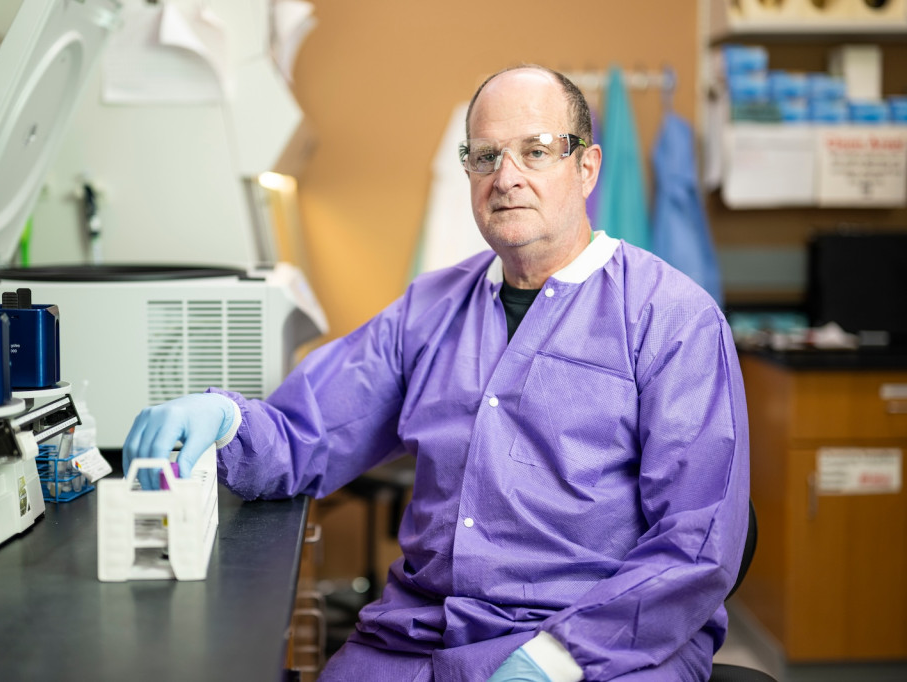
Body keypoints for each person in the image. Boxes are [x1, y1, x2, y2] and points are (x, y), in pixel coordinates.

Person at [123, 64, 750, 682]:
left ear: (586, 168)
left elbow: (695, 545)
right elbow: (303, 431)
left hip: (602, 646)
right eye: (484, 157)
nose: (506, 178)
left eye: (535, 152)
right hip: (419, 637)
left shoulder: (673, 318)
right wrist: (227, 419)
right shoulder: (431, 309)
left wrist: (556, 660)